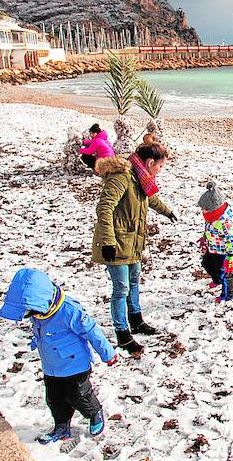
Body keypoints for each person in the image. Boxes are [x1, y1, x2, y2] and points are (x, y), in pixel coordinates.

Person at [0, 268, 116, 444]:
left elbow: (92, 331)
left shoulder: (69, 311)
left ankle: (94, 412)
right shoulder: (39, 311)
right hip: (51, 366)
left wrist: (107, 354)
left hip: (75, 365)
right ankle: (62, 426)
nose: (26, 315)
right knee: (54, 399)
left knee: (78, 395)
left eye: (27, 310)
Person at [91, 136, 176, 354]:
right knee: (121, 289)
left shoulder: (141, 177)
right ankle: (122, 333)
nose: (161, 170)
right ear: (150, 163)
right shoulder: (122, 177)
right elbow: (104, 208)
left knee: (134, 282)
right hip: (117, 243)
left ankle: (136, 321)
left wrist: (167, 211)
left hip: (133, 242)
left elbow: (150, 199)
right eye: (161, 166)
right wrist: (108, 242)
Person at [196, 181, 233, 303]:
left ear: (213, 209)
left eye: (204, 209)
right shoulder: (211, 217)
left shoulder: (224, 223)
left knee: (226, 274)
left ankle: (229, 294)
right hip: (213, 248)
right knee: (206, 263)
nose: (202, 211)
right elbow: (208, 228)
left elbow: (231, 240)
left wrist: (230, 257)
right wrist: (205, 237)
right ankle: (217, 280)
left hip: (224, 252)